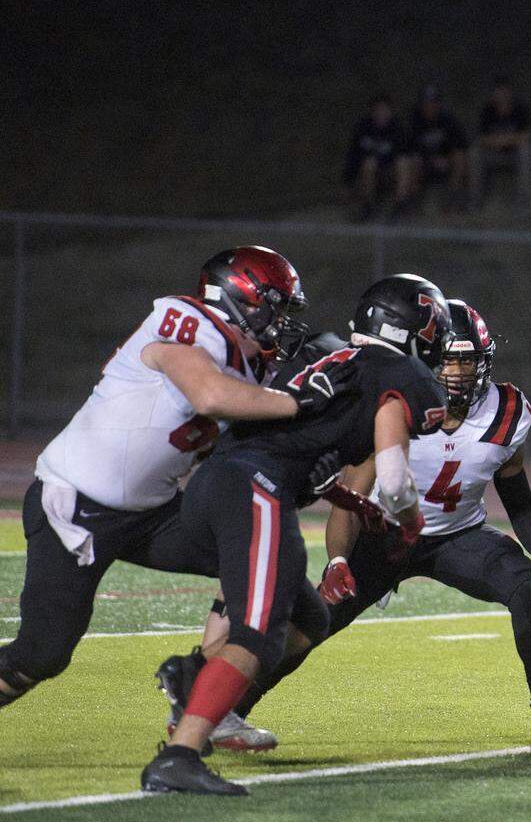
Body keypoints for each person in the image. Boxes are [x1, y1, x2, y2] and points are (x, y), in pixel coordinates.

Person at [212, 300, 531, 758]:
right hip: (384, 536)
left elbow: (520, 503)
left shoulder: (509, 411)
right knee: (310, 624)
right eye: (448, 358)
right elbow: (355, 491)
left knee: (522, 586)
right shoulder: (401, 400)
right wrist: (336, 561)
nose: (456, 372)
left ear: (484, 361)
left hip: (459, 536)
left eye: (467, 360)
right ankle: (227, 713)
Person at [0, 247, 350, 713]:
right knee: (42, 653)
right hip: (76, 505)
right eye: (275, 307)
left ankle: (201, 700)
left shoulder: (251, 372)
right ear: (237, 299)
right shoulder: (188, 323)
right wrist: (297, 402)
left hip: (152, 514)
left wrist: (312, 468)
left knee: (298, 602)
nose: (281, 321)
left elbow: (245, 463)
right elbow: (208, 395)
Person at [142, 274, 452, 796]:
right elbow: (395, 478)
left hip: (216, 480)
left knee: (307, 615)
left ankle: (200, 685)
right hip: (256, 487)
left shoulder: (324, 350)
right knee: (260, 628)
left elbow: (305, 442)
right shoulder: (401, 373)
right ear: (410, 331)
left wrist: (353, 501)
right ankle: (182, 747)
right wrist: (409, 524)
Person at [342, 94, 415, 221]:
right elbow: (353, 155)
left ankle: (400, 206)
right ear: (372, 111)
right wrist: (348, 182)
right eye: (378, 110)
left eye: (385, 110)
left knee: (403, 162)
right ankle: (367, 206)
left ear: (391, 112)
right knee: (369, 163)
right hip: (367, 174)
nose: (381, 114)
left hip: (391, 173)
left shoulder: (398, 129)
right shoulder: (362, 128)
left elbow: (405, 155)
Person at [469, 76, 531, 207]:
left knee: (526, 151)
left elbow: (525, 136)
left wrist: (505, 141)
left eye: (504, 93)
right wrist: (496, 142)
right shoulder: (487, 111)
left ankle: (522, 199)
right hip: (493, 153)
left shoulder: (520, 110)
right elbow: (482, 137)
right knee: (474, 153)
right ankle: (475, 199)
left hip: (513, 153)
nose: (502, 96)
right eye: (498, 93)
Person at [407, 84, 470, 212]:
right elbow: (410, 146)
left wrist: (445, 158)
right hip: (423, 162)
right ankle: (412, 201)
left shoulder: (448, 119)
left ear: (439, 104)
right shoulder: (414, 120)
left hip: (445, 161)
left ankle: (454, 198)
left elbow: (461, 143)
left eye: (433, 102)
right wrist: (430, 159)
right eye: (426, 102)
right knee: (414, 160)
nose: (430, 106)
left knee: (460, 157)